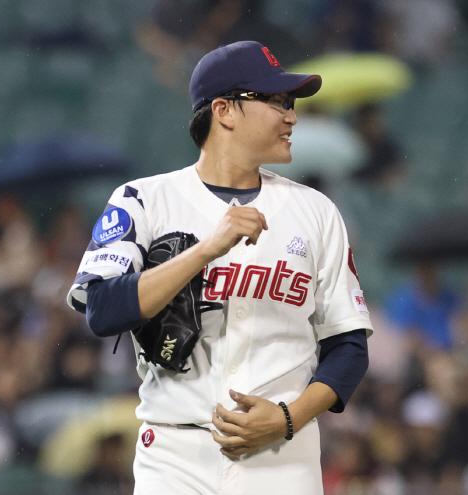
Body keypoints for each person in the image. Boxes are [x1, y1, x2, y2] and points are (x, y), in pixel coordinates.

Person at [66, 40, 373, 495]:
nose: (291, 116)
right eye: (276, 101)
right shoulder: (144, 200)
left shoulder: (317, 211)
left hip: (283, 458)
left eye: (291, 104)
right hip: (174, 454)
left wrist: (290, 417)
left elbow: (348, 347)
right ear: (225, 110)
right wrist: (205, 251)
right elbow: (103, 311)